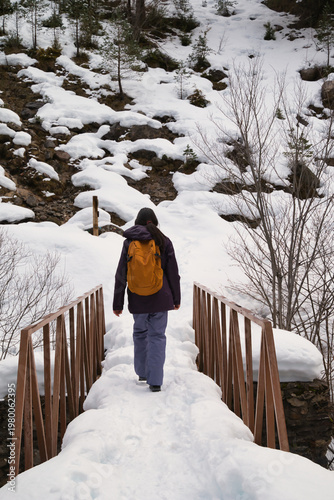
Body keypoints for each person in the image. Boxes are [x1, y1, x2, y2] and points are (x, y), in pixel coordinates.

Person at [113, 207, 181, 392]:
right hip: (161, 298)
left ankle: (142, 372)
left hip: (138, 298)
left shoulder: (129, 243)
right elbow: (173, 274)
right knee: (157, 336)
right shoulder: (163, 241)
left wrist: (117, 304)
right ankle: (156, 381)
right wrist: (176, 298)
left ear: (137, 222)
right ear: (155, 222)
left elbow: (121, 274)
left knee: (140, 333)